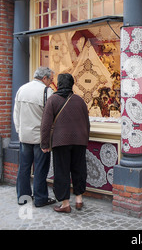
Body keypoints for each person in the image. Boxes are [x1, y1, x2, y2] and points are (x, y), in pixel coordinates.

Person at [40, 73, 90, 213]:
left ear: (60, 84)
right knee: (79, 169)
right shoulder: (79, 100)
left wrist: (44, 144)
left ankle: (65, 204)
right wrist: (84, 139)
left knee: (61, 171)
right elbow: (87, 123)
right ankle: (79, 199)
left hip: (61, 141)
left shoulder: (52, 100)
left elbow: (45, 125)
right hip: (79, 140)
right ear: (72, 84)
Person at [13, 66, 56, 207]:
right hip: (39, 137)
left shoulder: (22, 89)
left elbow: (16, 113)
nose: (51, 82)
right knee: (40, 169)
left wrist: (19, 131)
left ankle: (23, 197)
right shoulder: (46, 92)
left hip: (24, 136)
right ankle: (40, 198)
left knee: (24, 168)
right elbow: (51, 117)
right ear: (44, 78)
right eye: (50, 79)